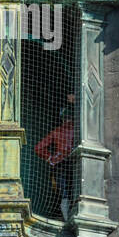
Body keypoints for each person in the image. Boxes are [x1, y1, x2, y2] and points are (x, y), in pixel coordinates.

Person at [35, 94, 76, 223]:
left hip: (60, 163)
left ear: (62, 118)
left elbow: (38, 148)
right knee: (73, 192)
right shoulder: (78, 129)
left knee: (63, 194)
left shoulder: (57, 131)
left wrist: (51, 158)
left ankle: (65, 219)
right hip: (75, 163)